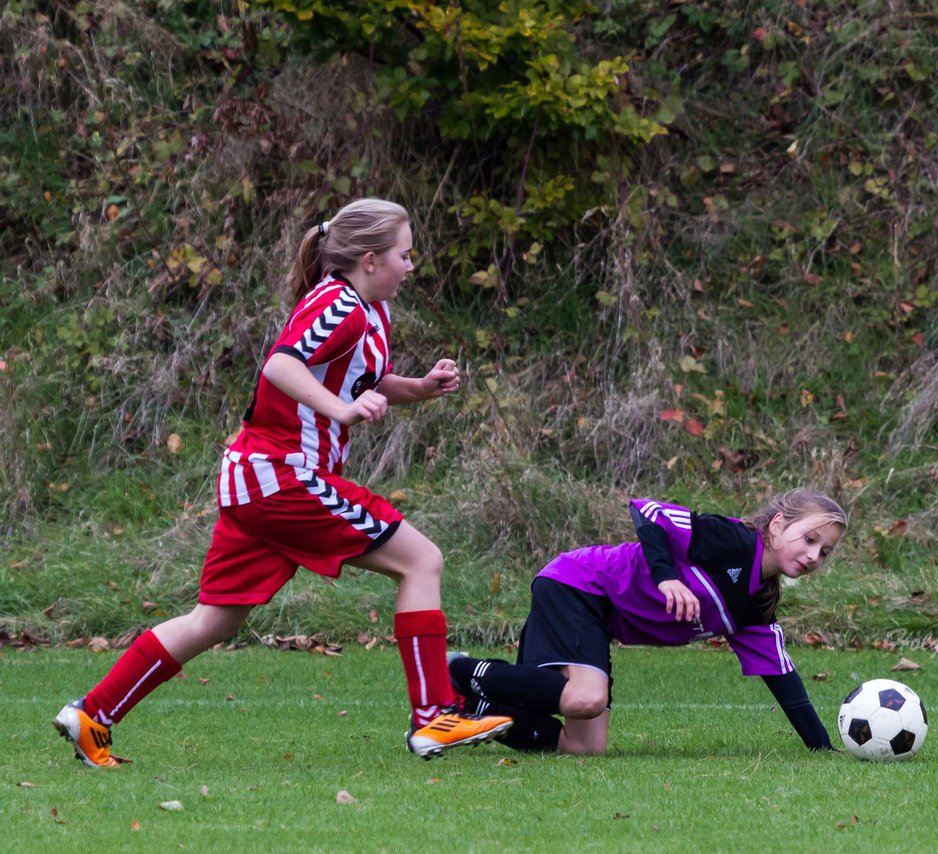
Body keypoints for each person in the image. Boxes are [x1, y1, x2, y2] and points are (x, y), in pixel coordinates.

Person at [53, 198, 512, 767]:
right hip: (283, 478)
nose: (411, 264)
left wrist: (417, 387)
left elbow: (357, 375)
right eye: (404, 254)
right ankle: (433, 718)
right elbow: (281, 365)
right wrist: (339, 412)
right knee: (421, 561)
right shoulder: (339, 304)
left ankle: (92, 715)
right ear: (369, 259)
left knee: (214, 620)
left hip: (256, 483)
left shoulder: (369, 308)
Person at [448, 488, 847, 755]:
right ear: (777, 525)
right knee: (587, 698)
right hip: (578, 584)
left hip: (597, 617)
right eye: (809, 539)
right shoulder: (730, 541)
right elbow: (648, 511)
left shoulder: (757, 605)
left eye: (824, 551)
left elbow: (784, 680)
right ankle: (453, 670)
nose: (814, 556)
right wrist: (666, 576)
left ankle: (471, 704)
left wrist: (823, 750)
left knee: (584, 747)